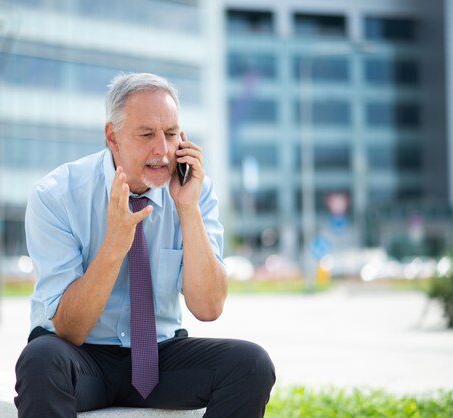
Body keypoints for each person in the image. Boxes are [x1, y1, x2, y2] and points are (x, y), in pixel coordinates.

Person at [14, 72, 275, 417]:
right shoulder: (57, 195)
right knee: (40, 360)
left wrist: (187, 209)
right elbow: (70, 328)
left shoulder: (197, 192)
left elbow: (209, 308)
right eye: (147, 134)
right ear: (113, 136)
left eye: (170, 134)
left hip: (159, 355)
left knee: (251, 364)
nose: (163, 151)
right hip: (82, 357)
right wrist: (115, 244)